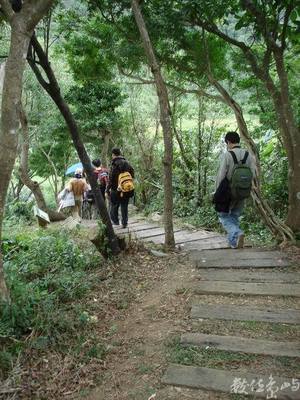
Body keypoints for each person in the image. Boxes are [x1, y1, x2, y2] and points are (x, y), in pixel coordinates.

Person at [215, 131, 255, 249]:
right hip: (243, 191)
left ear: (228, 142)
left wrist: (217, 193)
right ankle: (233, 243)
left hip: (228, 192)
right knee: (235, 215)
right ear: (238, 141)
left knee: (223, 216)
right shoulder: (248, 155)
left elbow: (221, 175)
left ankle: (237, 233)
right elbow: (252, 174)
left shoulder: (227, 155)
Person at [106, 148, 134, 228]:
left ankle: (116, 222)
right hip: (126, 188)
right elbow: (132, 173)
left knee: (114, 205)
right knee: (124, 206)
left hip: (116, 189)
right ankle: (124, 223)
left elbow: (111, 178)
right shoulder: (127, 163)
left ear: (113, 154)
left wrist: (107, 190)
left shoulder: (114, 164)